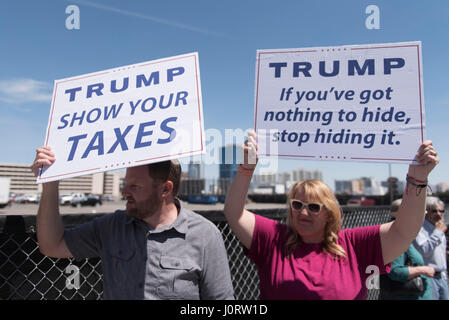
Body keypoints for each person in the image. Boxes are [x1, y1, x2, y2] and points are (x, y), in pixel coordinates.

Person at [224, 130, 439, 300]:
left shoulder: (354, 245)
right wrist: (246, 168)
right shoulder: (274, 239)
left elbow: (404, 231)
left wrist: (417, 179)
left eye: (314, 207)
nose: (303, 212)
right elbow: (234, 213)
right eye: (297, 205)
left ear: (329, 213)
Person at [31, 146, 234, 300]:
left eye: (135, 186)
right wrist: (50, 185)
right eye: (125, 184)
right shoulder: (111, 227)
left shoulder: (205, 234)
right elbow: (52, 245)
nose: (124, 192)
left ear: (165, 189)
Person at [379, 199, 434, 300]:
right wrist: (423, 269)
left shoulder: (400, 234)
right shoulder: (395, 236)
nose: (421, 219)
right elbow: (395, 271)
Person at [413, 197, 449, 300]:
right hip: (428, 277)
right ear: (426, 212)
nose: (438, 214)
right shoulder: (420, 228)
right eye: (434, 211)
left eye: (441, 211)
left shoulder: (439, 227)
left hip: (441, 275)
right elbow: (422, 250)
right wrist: (438, 233)